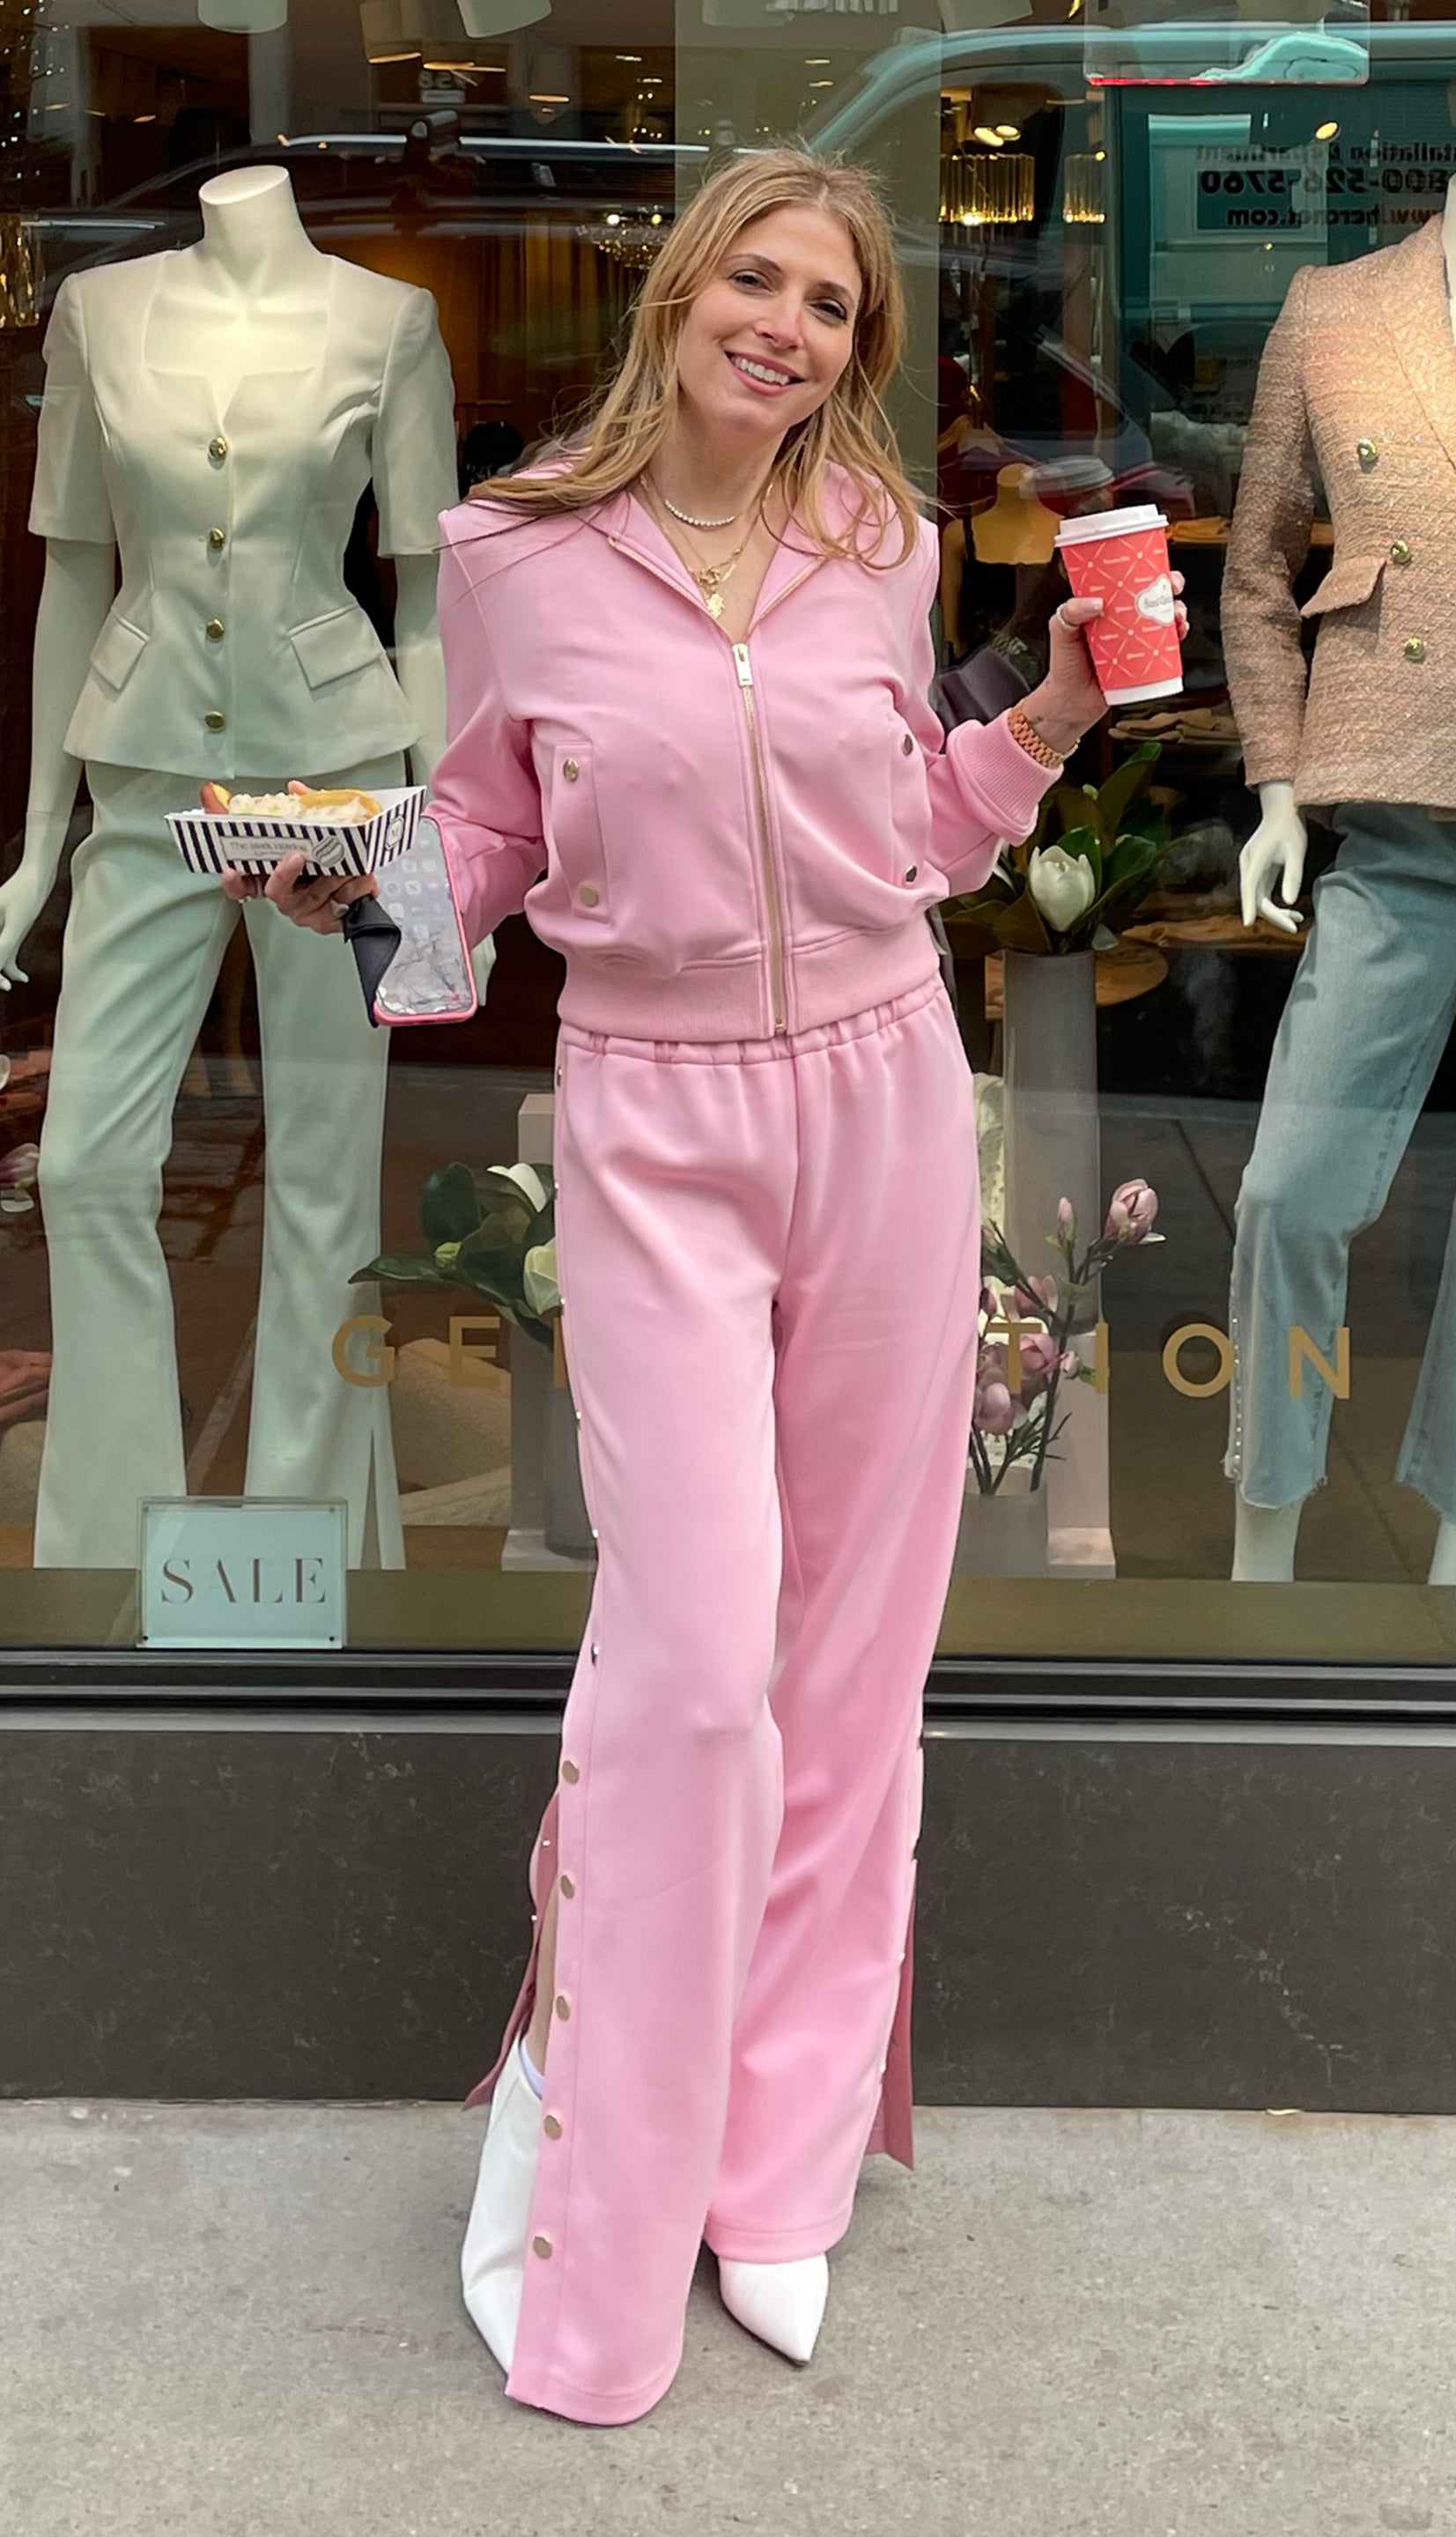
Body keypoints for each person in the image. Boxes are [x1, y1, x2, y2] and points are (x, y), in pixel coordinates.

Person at [232, 145, 1186, 2429]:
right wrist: (358, 887)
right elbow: (487, 831)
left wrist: (1052, 712)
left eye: (832, 305)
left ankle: (779, 2164)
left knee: (853, 1662)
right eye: (754, 279)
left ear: (858, 352)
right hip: (655, 1120)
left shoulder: (878, 544)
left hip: (884, 1096)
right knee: (689, 1670)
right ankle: (592, 2193)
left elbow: (911, 830)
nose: (788, 324)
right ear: (674, 299)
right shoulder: (512, 553)